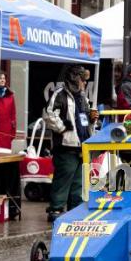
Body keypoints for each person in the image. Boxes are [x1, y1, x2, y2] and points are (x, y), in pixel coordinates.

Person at [43, 65, 99, 222]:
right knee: (63, 178)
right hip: (66, 146)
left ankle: (76, 209)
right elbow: (49, 115)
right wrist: (62, 128)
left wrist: (93, 118)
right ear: (76, 79)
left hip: (82, 145)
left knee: (78, 182)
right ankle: (56, 209)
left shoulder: (83, 98)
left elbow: (87, 119)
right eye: (83, 80)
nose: (85, 83)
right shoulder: (59, 95)